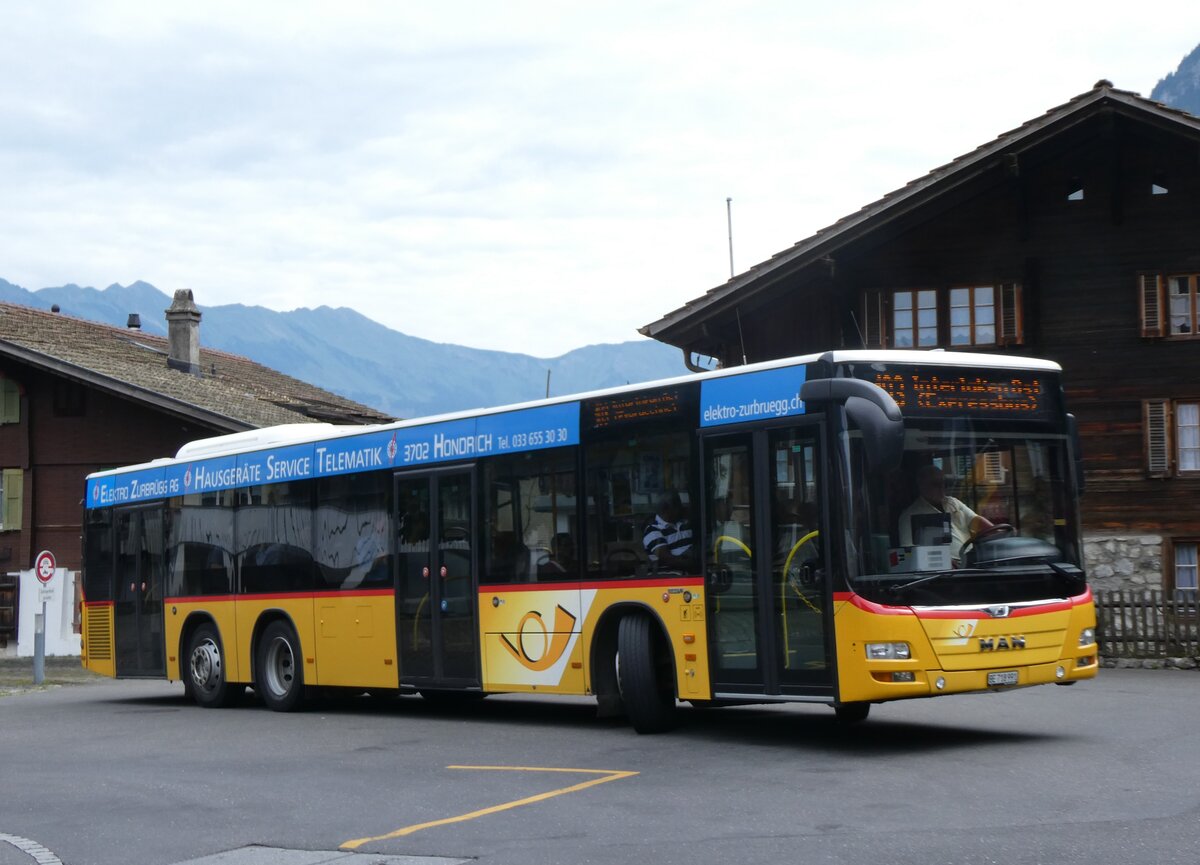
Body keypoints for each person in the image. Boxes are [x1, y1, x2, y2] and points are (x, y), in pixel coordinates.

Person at [898, 464, 993, 562]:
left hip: (972, 561)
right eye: (935, 484)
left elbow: (977, 521)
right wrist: (944, 561)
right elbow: (909, 554)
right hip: (943, 571)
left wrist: (999, 533)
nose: (941, 487)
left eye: (943, 483)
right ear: (922, 485)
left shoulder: (953, 503)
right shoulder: (909, 516)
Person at [643, 490, 694, 570]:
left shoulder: (685, 523)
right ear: (665, 509)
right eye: (677, 506)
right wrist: (694, 561)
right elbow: (667, 559)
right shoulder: (653, 531)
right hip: (673, 576)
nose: (681, 508)